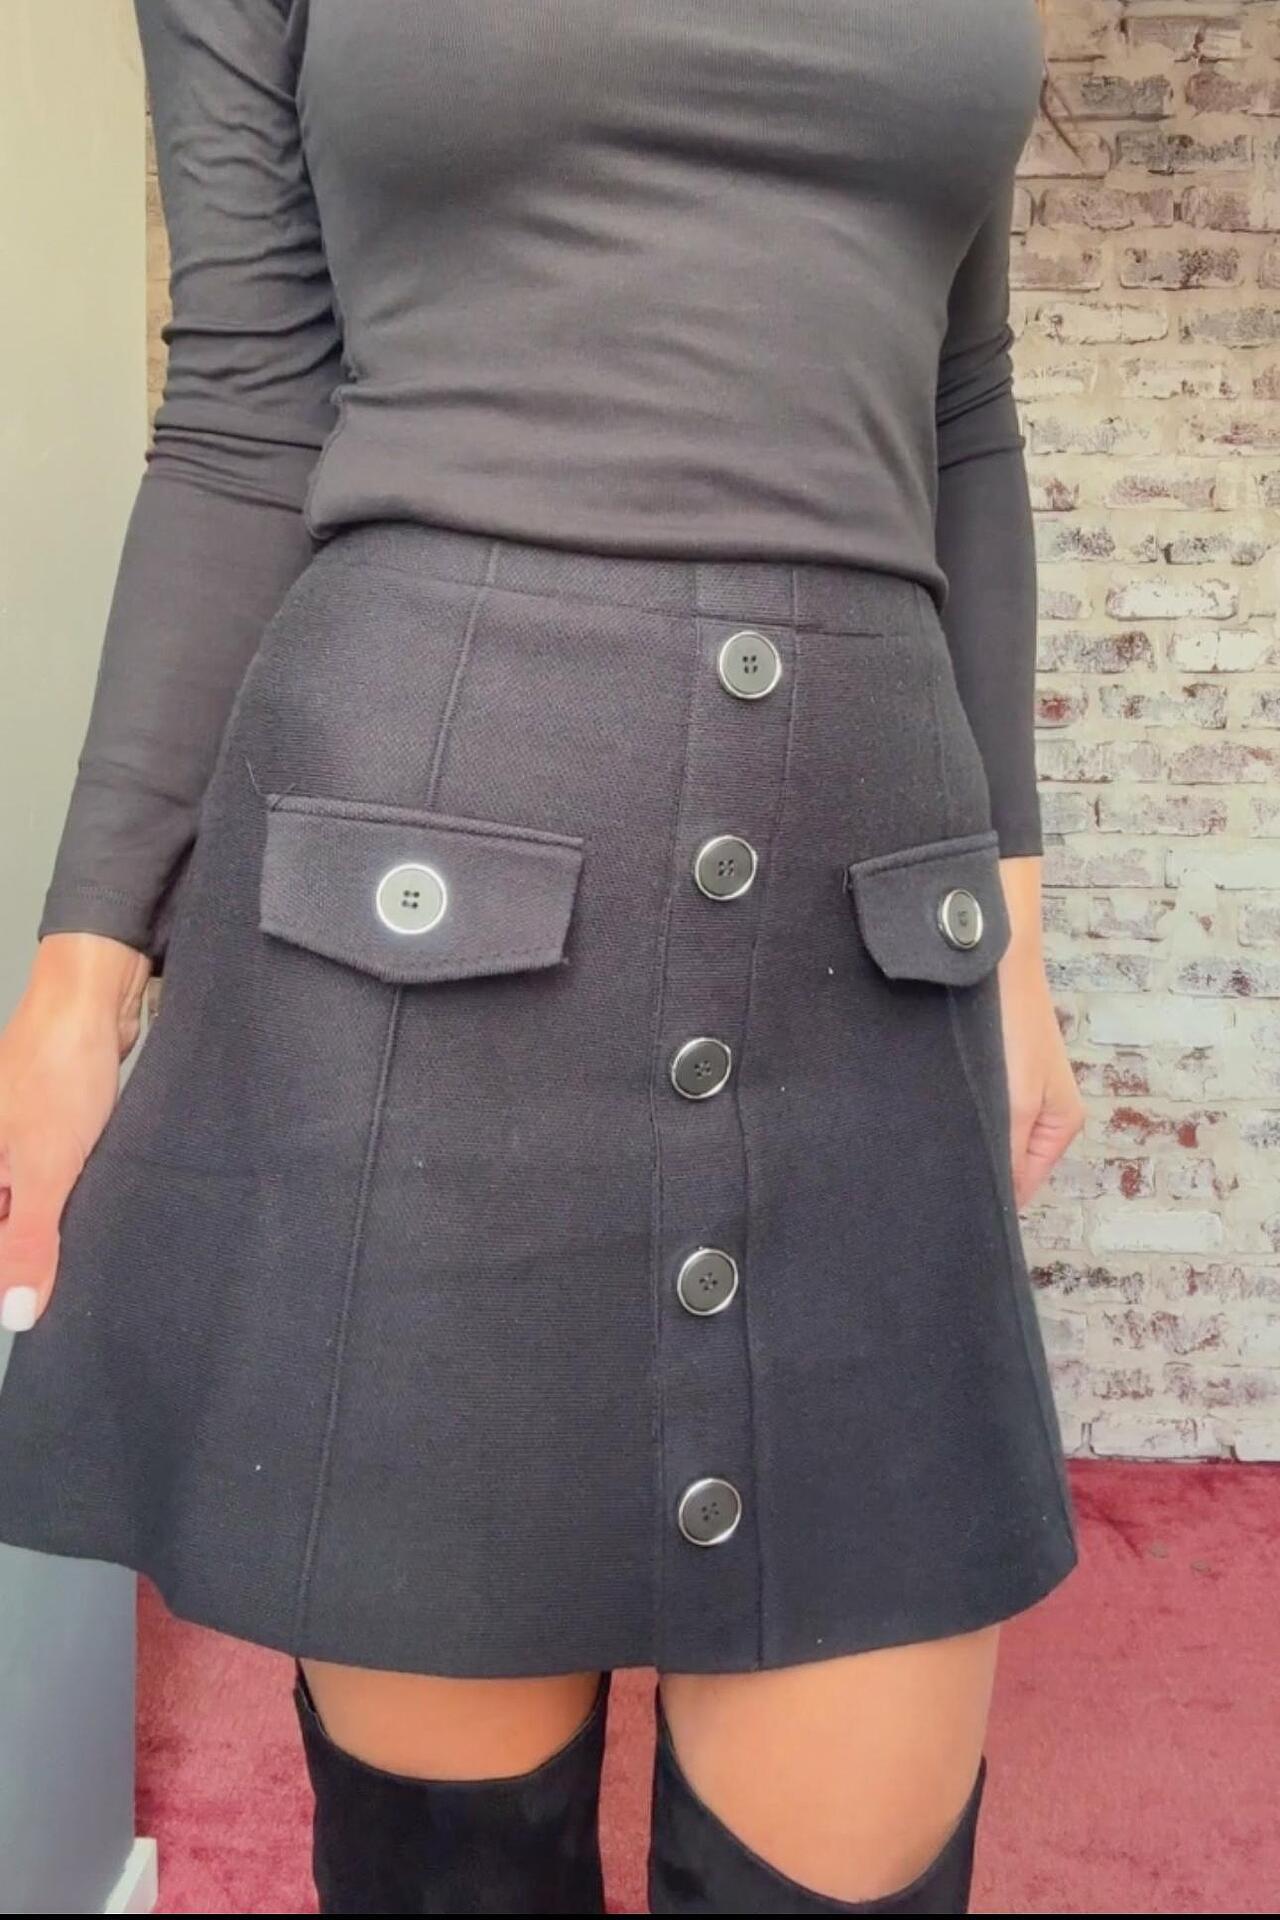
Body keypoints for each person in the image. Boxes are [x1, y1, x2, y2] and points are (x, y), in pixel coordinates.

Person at [0, 1, 1084, 1913]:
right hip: (416, 932)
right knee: (451, 1869)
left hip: (869, 915)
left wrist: (1019, 942)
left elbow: (962, 415)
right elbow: (247, 410)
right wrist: (79, 983)